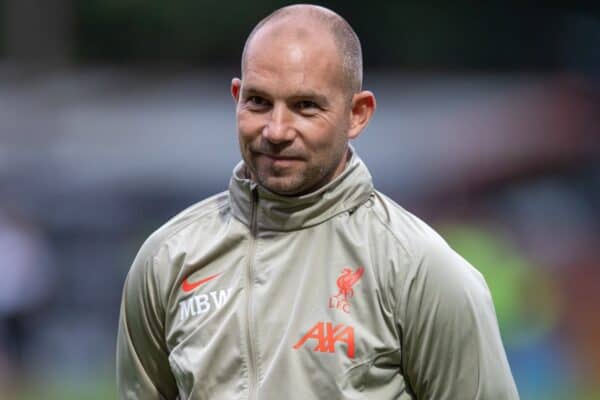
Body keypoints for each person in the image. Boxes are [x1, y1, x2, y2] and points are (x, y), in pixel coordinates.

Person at [116, 4, 519, 399]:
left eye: (305, 106)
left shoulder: (420, 270)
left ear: (357, 114)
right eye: (258, 102)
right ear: (236, 98)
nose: (276, 130)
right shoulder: (167, 259)